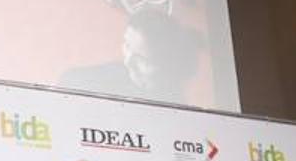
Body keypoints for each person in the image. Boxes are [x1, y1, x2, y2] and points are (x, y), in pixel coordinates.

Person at [59, 9, 196, 103]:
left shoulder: (175, 109)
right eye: (127, 45)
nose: (128, 61)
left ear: (168, 65)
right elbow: (70, 77)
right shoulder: (115, 71)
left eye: (142, 60)